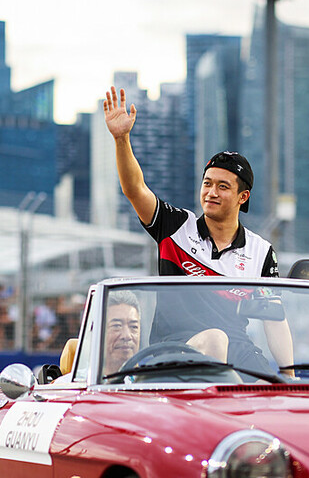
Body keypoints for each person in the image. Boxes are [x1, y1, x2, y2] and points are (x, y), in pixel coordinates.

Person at [103, 86, 294, 376]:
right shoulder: (175, 226)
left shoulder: (262, 252)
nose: (211, 192)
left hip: (238, 350)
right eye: (207, 183)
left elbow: (275, 319)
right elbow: (135, 189)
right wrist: (121, 139)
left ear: (243, 197)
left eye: (223, 186)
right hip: (171, 352)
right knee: (215, 339)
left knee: (272, 390)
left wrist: (290, 377)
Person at [102, 290, 141, 375]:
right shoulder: (83, 380)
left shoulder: (150, 380)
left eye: (133, 326)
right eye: (117, 326)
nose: (127, 336)